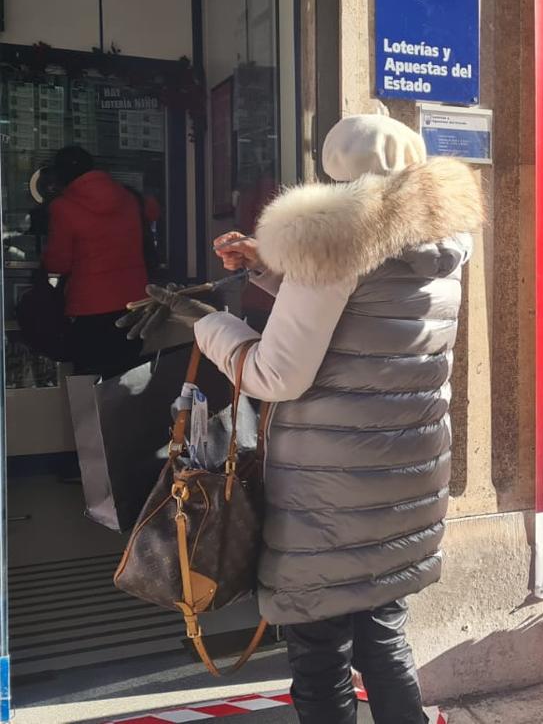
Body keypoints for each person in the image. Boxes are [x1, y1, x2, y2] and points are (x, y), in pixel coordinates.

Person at [124, 115, 481, 724]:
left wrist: (202, 322)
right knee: (383, 639)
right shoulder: (439, 242)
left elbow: (275, 375)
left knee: (319, 656)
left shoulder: (331, 245)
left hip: (328, 495)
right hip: (404, 484)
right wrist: (270, 268)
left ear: (332, 169)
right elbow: (365, 304)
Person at [41, 146, 156, 377]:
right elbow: (153, 212)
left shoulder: (62, 207)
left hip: (90, 309)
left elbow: (59, 262)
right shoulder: (128, 197)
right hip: (134, 303)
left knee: (91, 382)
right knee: (131, 378)